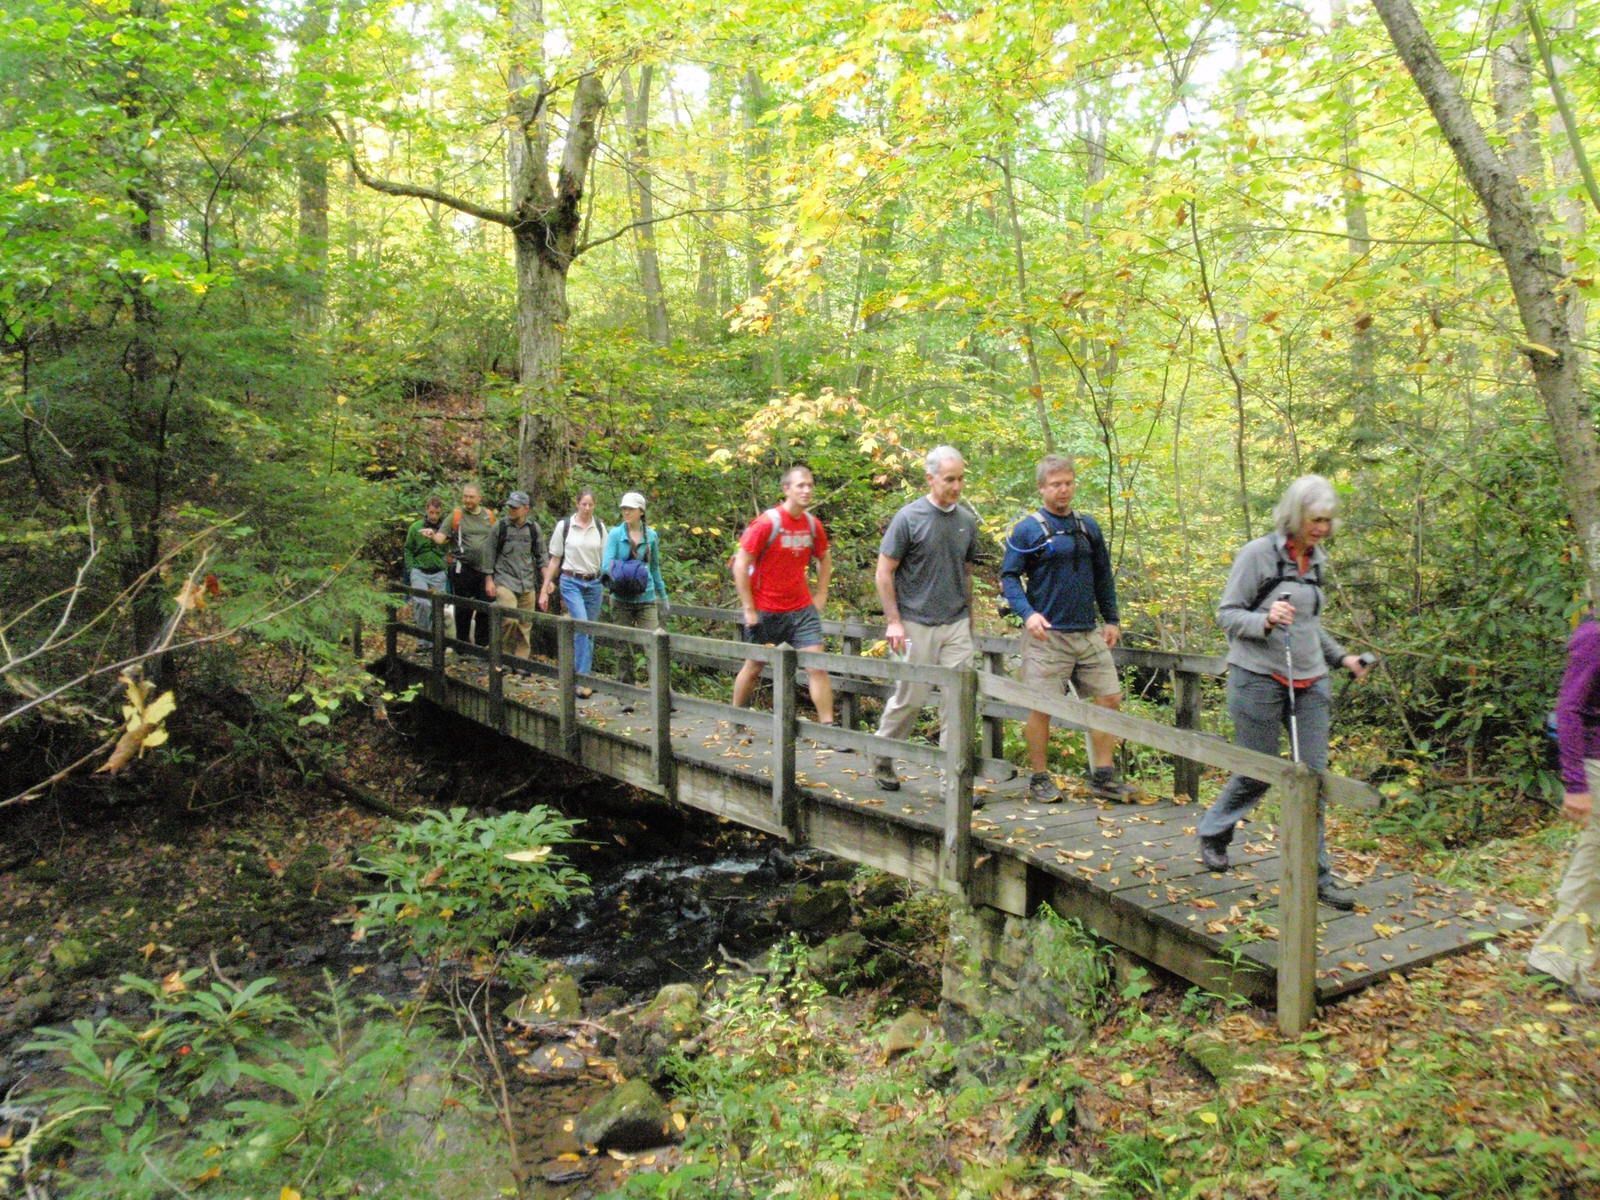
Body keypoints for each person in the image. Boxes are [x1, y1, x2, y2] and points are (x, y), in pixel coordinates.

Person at [1196, 474, 1370, 911]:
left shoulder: (1319, 562)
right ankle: (1214, 831)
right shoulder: (1258, 555)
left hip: (1310, 681)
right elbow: (1227, 615)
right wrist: (1266, 620)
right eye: (1316, 520)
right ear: (1294, 516)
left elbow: (1309, 627)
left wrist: (1343, 659)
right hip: (1256, 676)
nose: (1322, 529)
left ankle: (1317, 878)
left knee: (1311, 780)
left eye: (1328, 521)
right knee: (1257, 770)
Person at [1000, 454, 1136, 803]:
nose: (1063, 490)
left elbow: (1103, 576)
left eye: (1068, 483)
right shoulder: (1028, 528)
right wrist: (1027, 614)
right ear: (1042, 488)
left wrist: (1112, 619)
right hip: (1048, 635)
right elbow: (1010, 577)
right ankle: (1039, 777)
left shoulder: (1088, 527)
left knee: (1109, 697)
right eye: (1056, 484)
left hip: (1086, 631)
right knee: (1041, 706)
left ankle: (1102, 775)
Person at [870, 447, 979, 792]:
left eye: (961, 479)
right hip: (913, 624)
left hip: (955, 624)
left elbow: (967, 572)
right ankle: (882, 755)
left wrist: (971, 621)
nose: (957, 486)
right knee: (910, 697)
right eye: (950, 479)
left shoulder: (966, 521)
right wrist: (893, 621)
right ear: (930, 479)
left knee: (959, 702)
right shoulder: (909, 518)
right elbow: (884, 573)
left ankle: (954, 780)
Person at [1527, 612, 1600, 1003]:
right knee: (1593, 870)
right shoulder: (1595, 636)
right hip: (1593, 765)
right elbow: (1569, 709)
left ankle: (1565, 963)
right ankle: (1555, 962)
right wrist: (1575, 784)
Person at [731, 465, 834, 727]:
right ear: (786, 489)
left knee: (816, 666)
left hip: (801, 609)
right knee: (754, 667)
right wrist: (748, 608)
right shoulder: (767, 523)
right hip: (766, 608)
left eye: (810, 485)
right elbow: (741, 563)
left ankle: (829, 727)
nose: (807, 490)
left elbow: (824, 557)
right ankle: (736, 720)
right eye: (800, 485)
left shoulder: (813, 525)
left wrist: (821, 593)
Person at [540, 488, 607, 698]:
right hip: (571, 581)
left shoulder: (599, 527)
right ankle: (583, 680)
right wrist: (545, 588)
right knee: (581, 626)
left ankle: (579, 675)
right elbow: (555, 559)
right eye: (583, 504)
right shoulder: (565, 527)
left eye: (590, 505)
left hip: (594, 583)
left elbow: (606, 559)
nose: (587, 508)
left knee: (591, 629)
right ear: (577, 504)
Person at [601, 491, 669, 689]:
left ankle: (662, 691)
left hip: (645, 596)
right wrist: (624, 575)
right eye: (624, 508)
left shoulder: (652, 536)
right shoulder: (615, 534)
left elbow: (655, 568)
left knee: (653, 644)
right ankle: (626, 692)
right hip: (621, 598)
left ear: (641, 511)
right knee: (624, 648)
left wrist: (662, 596)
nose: (626, 512)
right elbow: (606, 565)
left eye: (630, 508)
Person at [485, 490, 545, 664]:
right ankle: (501, 655)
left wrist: (546, 583)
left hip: (526, 582)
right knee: (509, 618)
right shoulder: (500, 527)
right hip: (504, 580)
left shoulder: (533, 529)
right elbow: (488, 553)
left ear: (525, 509)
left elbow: (542, 556)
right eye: (510, 507)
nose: (511, 510)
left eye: (515, 507)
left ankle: (520, 662)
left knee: (525, 625)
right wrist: (489, 579)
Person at [448, 483, 497, 647]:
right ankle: (462, 645)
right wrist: (432, 535)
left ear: (479, 498)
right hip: (463, 568)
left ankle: (482, 645)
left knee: (485, 606)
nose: (467, 500)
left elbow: (495, 539)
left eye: (471, 497)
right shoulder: (457, 516)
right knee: (463, 608)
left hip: (485, 570)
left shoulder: (488, 516)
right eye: (465, 496)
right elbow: (441, 536)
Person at [403, 495, 449, 649]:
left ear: (440, 512)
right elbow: (408, 549)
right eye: (431, 512)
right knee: (422, 603)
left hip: (438, 571)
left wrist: (434, 538)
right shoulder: (416, 527)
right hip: (419, 570)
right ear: (426, 511)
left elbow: (448, 550)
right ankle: (423, 641)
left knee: (437, 606)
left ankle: (436, 640)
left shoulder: (445, 529)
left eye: (436, 513)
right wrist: (411, 569)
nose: (434, 516)